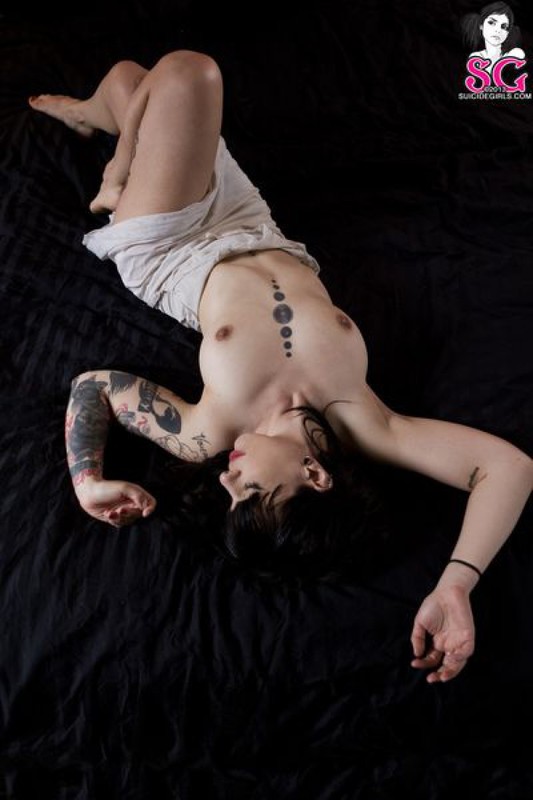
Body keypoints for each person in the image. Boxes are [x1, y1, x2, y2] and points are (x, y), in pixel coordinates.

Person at [29, 50, 533, 684]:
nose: (226, 478)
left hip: (168, 245)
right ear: (315, 476)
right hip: (250, 222)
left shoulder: (207, 433)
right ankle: (92, 118)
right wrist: (456, 585)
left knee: (187, 75)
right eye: (251, 492)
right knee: (135, 82)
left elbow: (93, 388)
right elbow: (507, 468)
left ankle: (118, 167)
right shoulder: (367, 424)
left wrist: (87, 484)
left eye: (229, 493)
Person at [461, 2, 525, 69]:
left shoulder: (516, 54)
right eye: (491, 23)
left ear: (508, 33)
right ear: (481, 25)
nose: (498, 30)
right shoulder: (476, 57)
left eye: (504, 27)